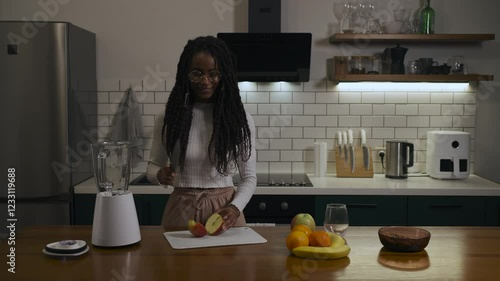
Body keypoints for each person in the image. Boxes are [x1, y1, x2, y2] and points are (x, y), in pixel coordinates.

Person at [146, 36, 256, 231]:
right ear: (185, 74)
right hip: (181, 210)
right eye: (197, 73)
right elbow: (152, 167)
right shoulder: (169, 118)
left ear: (223, 75)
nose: (205, 81)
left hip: (225, 212)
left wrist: (235, 208)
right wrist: (160, 175)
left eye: (213, 74)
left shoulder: (238, 119)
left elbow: (249, 178)